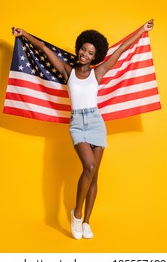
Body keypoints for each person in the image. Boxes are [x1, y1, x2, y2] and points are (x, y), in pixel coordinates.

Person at [12, 19, 154, 239]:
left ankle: (87, 222)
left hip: (96, 122)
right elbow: (44, 49)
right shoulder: (67, 72)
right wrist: (24, 34)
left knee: (94, 176)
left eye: (90, 52)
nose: (85, 54)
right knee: (88, 166)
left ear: (95, 57)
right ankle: (76, 215)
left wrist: (142, 30)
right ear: (79, 49)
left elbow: (123, 49)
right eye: (83, 49)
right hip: (78, 123)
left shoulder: (98, 73)